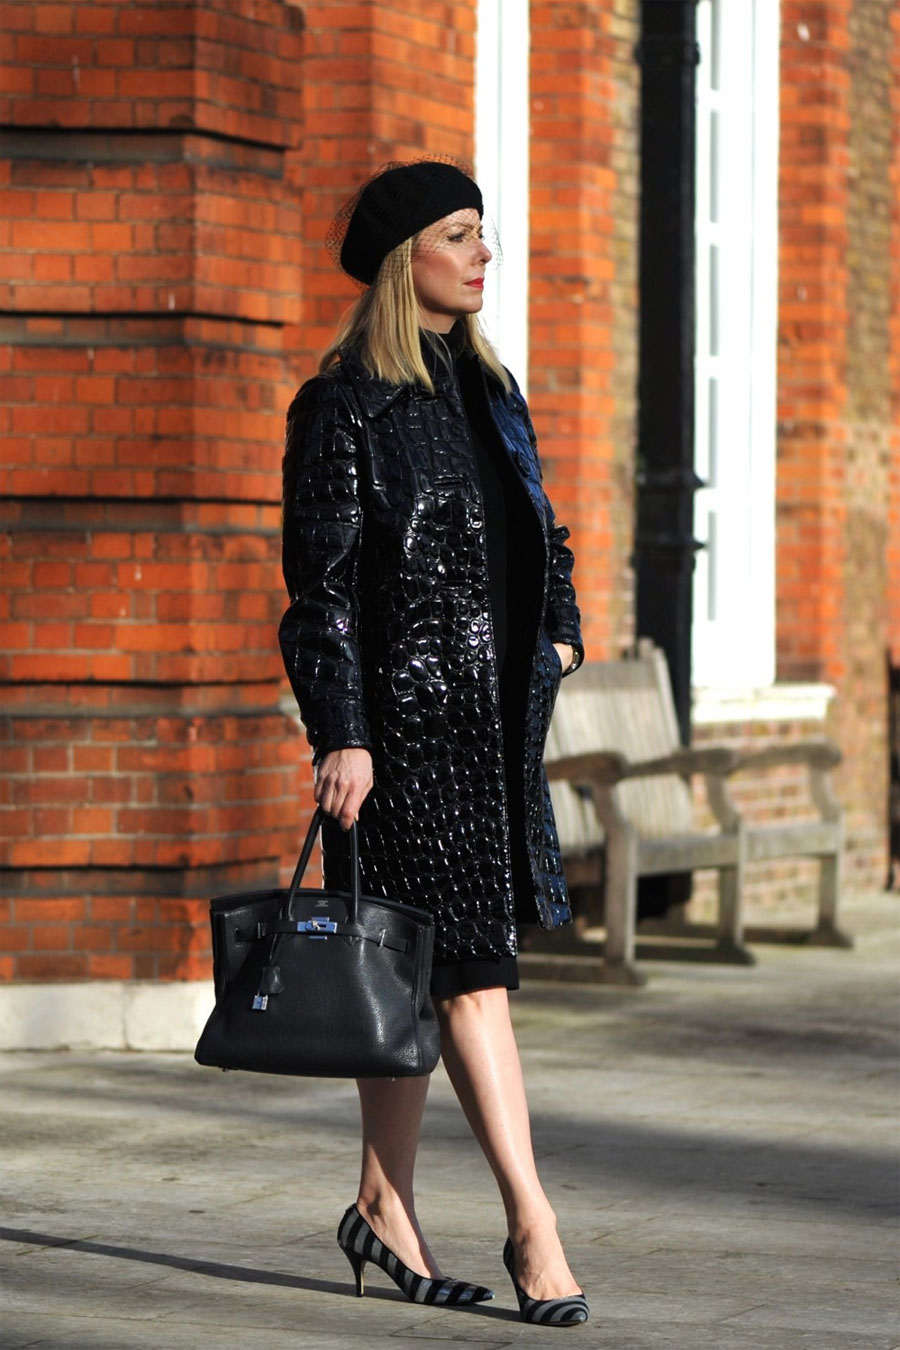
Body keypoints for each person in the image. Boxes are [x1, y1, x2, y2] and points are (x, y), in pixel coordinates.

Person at [278, 158, 588, 1328]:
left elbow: (544, 534)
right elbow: (321, 596)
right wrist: (344, 735)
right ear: (405, 260)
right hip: (405, 744)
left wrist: (561, 635)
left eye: (482, 231)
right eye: (459, 234)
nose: (483, 252)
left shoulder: (494, 391)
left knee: (407, 974)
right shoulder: (345, 407)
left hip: (495, 736)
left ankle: (383, 1205)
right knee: (471, 979)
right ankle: (534, 1224)